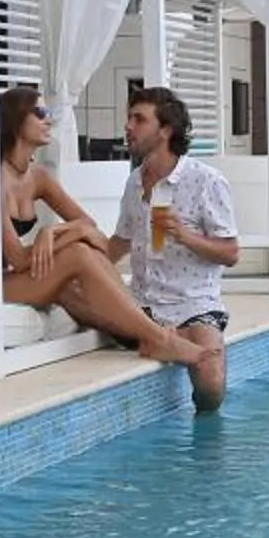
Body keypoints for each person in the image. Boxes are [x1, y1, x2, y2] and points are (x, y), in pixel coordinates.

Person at [0, 86, 207, 373]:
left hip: (6, 278)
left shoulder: (37, 177)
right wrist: (70, 236)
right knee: (78, 255)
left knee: (83, 256)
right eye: (41, 113)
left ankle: (143, 334)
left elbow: (90, 228)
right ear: (15, 120)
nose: (49, 121)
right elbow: (19, 259)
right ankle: (159, 337)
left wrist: (51, 233)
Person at [102, 85, 236, 413]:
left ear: (165, 130)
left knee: (211, 382)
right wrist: (90, 264)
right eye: (129, 118)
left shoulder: (206, 181)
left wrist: (186, 236)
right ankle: (158, 339)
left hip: (193, 302)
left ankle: (204, 448)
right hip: (143, 305)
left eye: (139, 119)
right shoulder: (134, 181)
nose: (128, 126)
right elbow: (122, 239)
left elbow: (231, 252)